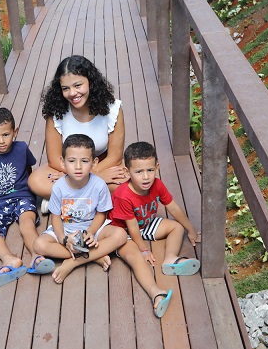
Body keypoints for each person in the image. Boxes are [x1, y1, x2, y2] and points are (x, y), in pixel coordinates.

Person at [108, 141, 201, 317]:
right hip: (122, 232)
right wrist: (143, 249)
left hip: (145, 223)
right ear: (128, 172)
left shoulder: (157, 184)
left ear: (157, 167)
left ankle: (170, 259)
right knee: (135, 258)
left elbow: (173, 208)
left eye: (150, 170)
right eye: (139, 172)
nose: (145, 177)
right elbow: (132, 228)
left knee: (176, 227)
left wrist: (191, 229)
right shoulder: (123, 195)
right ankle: (156, 293)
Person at [31, 134, 129, 285]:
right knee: (39, 245)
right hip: (66, 228)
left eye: (84, 161)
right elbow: (55, 217)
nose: (78, 167)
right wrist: (64, 239)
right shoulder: (58, 187)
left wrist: (90, 232)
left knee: (120, 235)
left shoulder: (99, 185)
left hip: (92, 228)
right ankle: (95, 255)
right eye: (71, 161)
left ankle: (74, 261)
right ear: (63, 163)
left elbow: (101, 213)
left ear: (94, 163)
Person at [28, 55, 127, 202]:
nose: (73, 93)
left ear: (91, 82)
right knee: (36, 182)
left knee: (133, 184)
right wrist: (88, 177)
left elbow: (115, 157)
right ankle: (94, 196)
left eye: (78, 85)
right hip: (69, 166)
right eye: (65, 88)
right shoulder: (56, 111)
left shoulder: (113, 109)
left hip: (101, 163)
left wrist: (85, 176)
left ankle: (65, 197)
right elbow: (55, 160)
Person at [0, 107, 48, 286]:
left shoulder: (21, 148)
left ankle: (37, 256)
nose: (2, 141)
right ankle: (9, 259)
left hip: (23, 197)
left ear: (15, 132)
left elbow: (29, 170)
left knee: (26, 223)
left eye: (6, 134)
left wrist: (32, 191)